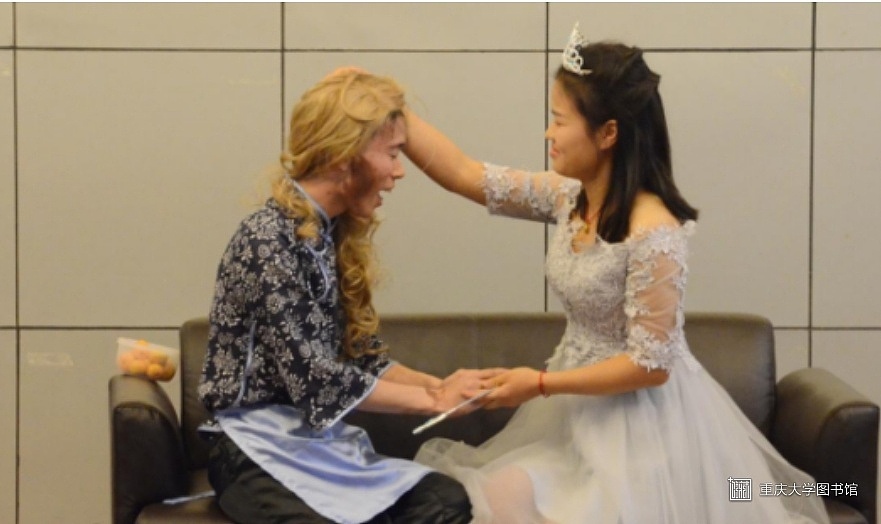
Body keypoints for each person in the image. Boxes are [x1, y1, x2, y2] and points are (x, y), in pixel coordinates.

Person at [398, 23, 831, 524]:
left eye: (559, 121)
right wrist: (393, 113)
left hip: (643, 430)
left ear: (607, 133)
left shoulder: (654, 231)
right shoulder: (568, 197)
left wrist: (539, 383)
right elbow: (467, 175)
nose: (548, 134)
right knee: (501, 494)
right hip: (574, 418)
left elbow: (651, 366)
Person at [198, 70, 488, 524]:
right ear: (342, 157)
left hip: (313, 445)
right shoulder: (267, 239)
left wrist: (440, 387)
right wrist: (434, 401)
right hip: (251, 450)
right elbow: (315, 379)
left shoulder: (326, 232)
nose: (398, 171)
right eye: (392, 153)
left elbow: (362, 360)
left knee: (444, 500)